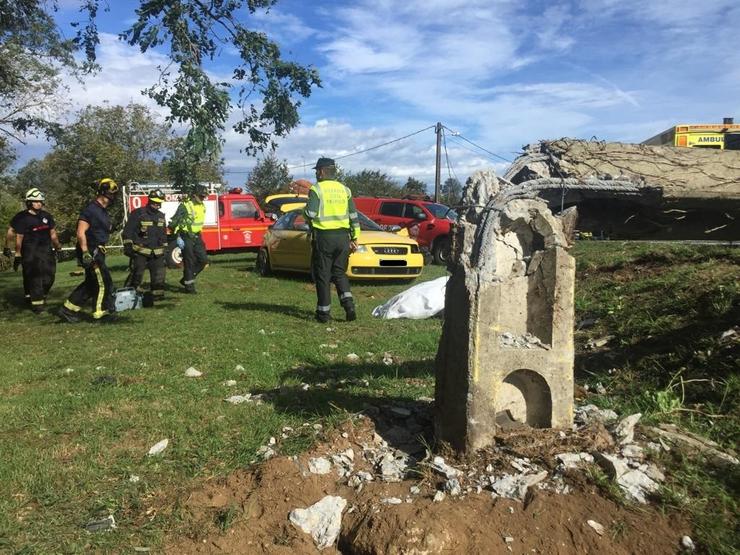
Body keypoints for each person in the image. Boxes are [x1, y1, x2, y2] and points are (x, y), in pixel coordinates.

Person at [303, 157, 360, 323]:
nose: (315, 174)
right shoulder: (345, 189)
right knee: (340, 273)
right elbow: (353, 216)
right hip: (343, 238)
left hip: (324, 238)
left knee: (323, 276)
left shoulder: (317, 189)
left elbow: (311, 214)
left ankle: (323, 313)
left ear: (321, 171)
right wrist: (355, 237)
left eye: (316, 171)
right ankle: (349, 306)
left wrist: (303, 212)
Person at [58, 178, 119, 323]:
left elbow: (102, 229)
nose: (114, 197)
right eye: (112, 194)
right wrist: (85, 253)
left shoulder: (103, 212)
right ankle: (101, 313)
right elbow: (80, 232)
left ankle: (68, 310)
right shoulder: (90, 210)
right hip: (91, 251)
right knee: (103, 282)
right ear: (104, 193)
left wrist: (113, 227)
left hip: (98, 250)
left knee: (92, 283)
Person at [3, 188, 62, 313]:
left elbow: (52, 233)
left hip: (46, 250)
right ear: (29, 202)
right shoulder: (22, 217)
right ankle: (37, 305)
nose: (39, 203)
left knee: (49, 277)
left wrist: (58, 247)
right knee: (34, 277)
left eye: (40, 201)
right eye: (36, 201)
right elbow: (18, 236)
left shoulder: (47, 216)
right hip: (30, 251)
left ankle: (37, 295)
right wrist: (16, 253)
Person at [122, 188, 167, 306]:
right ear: (150, 200)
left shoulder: (161, 216)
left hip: (157, 252)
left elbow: (163, 234)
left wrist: (165, 248)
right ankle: (129, 296)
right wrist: (128, 245)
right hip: (140, 251)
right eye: (155, 202)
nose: (157, 205)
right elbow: (128, 231)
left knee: (159, 275)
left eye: (159, 202)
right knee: (137, 274)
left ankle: (157, 297)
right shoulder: (138, 213)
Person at [170, 185, 209, 294]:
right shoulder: (185, 206)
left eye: (204, 196)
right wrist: (178, 236)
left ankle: (186, 279)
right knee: (189, 261)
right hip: (185, 236)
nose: (203, 198)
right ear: (194, 195)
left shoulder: (202, 206)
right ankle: (189, 287)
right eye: (201, 196)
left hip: (196, 235)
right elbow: (174, 222)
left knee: (203, 260)